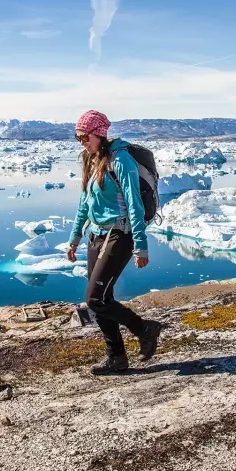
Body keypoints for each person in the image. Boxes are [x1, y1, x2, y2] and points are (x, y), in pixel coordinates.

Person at [67, 110, 161, 374]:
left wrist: (140, 245)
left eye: (84, 136)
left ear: (99, 133)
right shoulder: (91, 159)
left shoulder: (121, 161)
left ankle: (144, 329)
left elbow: (134, 205)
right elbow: (84, 203)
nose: (82, 142)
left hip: (121, 233)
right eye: (78, 138)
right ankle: (116, 358)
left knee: (94, 299)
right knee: (101, 300)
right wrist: (74, 238)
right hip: (96, 234)